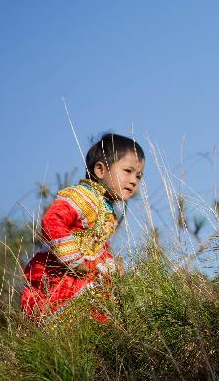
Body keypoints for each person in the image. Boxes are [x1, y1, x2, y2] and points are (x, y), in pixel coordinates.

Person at [21, 133, 145, 325]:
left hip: (83, 278)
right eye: (128, 171)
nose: (134, 180)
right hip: (61, 277)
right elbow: (52, 221)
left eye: (139, 175)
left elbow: (97, 246)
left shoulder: (106, 208)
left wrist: (110, 267)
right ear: (100, 170)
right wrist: (73, 258)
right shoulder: (82, 197)